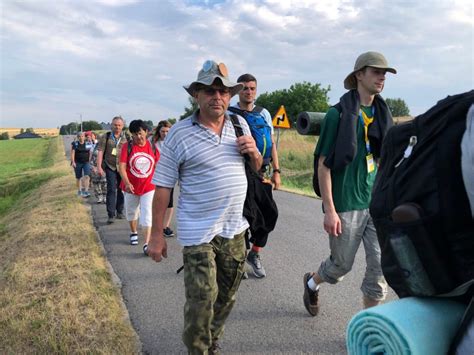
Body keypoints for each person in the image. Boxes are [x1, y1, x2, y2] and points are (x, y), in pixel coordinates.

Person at [148, 60, 262, 353]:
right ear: (196, 95)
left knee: (227, 296)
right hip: (198, 232)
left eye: (223, 92)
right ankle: (198, 348)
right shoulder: (180, 133)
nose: (218, 97)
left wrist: (255, 155)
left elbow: (258, 168)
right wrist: (157, 235)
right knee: (202, 299)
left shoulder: (240, 124)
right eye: (210, 91)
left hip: (235, 228)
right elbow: (162, 186)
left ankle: (211, 338)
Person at [303, 51, 396, 316]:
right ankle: (312, 282)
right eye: (376, 72)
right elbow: (323, 164)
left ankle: (366, 328)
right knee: (340, 266)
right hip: (346, 204)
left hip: (375, 203)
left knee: (380, 267)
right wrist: (330, 209)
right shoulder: (338, 115)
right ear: (359, 75)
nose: (382, 77)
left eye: (385, 73)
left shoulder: (382, 114)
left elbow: (383, 159)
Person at [231, 73, 281, 278]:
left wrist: (277, 171)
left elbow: (271, 143)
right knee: (243, 217)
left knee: (270, 214)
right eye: (244, 88)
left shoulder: (264, 113)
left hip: (262, 172)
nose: (248, 92)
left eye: (252, 88)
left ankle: (255, 253)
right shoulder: (229, 113)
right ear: (238, 90)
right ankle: (239, 259)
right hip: (239, 172)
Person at [118, 119, 159, 254]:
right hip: (131, 186)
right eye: (135, 134)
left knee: (147, 213)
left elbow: (158, 166)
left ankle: (147, 243)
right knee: (131, 211)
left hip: (148, 186)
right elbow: (122, 167)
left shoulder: (153, 147)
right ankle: (133, 231)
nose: (138, 137)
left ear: (146, 132)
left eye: (140, 133)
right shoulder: (127, 147)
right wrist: (127, 183)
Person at [97, 116, 128, 224]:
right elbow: (100, 151)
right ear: (111, 125)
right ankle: (111, 214)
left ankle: (119, 211)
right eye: (115, 125)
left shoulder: (126, 137)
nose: (117, 127)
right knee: (111, 189)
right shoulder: (106, 136)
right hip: (110, 166)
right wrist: (99, 167)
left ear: (122, 126)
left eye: (119, 125)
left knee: (121, 189)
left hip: (123, 167)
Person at [150, 120, 175, 238]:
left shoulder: (174, 142)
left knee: (169, 202)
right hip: (155, 175)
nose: (165, 134)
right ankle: (155, 225)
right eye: (163, 131)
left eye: (167, 131)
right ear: (159, 132)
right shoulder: (153, 143)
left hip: (170, 175)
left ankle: (166, 226)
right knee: (157, 201)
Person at [70, 131, 92, 197]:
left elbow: (90, 152)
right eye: (79, 136)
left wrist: (89, 160)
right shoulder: (75, 144)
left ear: (84, 137)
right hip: (77, 162)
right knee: (78, 177)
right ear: (77, 137)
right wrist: (73, 162)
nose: (81, 138)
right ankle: (79, 191)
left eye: (82, 136)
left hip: (86, 162)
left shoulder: (88, 143)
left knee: (87, 176)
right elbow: (73, 153)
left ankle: (86, 191)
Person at [90, 132, 107, 204]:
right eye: (100, 139)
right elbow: (90, 158)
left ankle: (105, 197)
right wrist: (92, 167)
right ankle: (99, 197)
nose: (101, 140)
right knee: (96, 183)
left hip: (104, 167)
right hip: (95, 167)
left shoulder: (107, 147)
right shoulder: (93, 147)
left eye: (102, 139)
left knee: (104, 183)